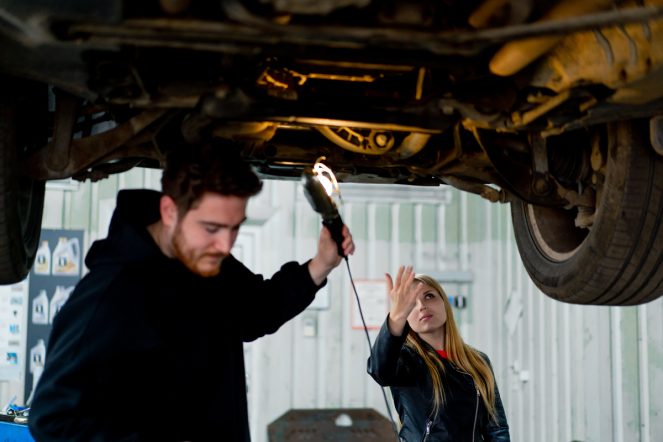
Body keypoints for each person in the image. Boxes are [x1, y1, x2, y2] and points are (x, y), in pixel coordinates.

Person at [28, 142, 355, 442]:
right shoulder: (112, 293)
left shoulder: (208, 263)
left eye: (235, 227)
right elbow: (52, 419)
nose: (225, 245)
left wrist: (320, 264)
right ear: (170, 211)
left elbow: (255, 311)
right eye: (212, 228)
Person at [368, 266, 510, 442]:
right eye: (412, 304)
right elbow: (379, 371)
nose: (422, 306)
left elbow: (496, 428)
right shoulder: (405, 360)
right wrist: (396, 317)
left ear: (444, 302)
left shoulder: (478, 361)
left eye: (429, 296)